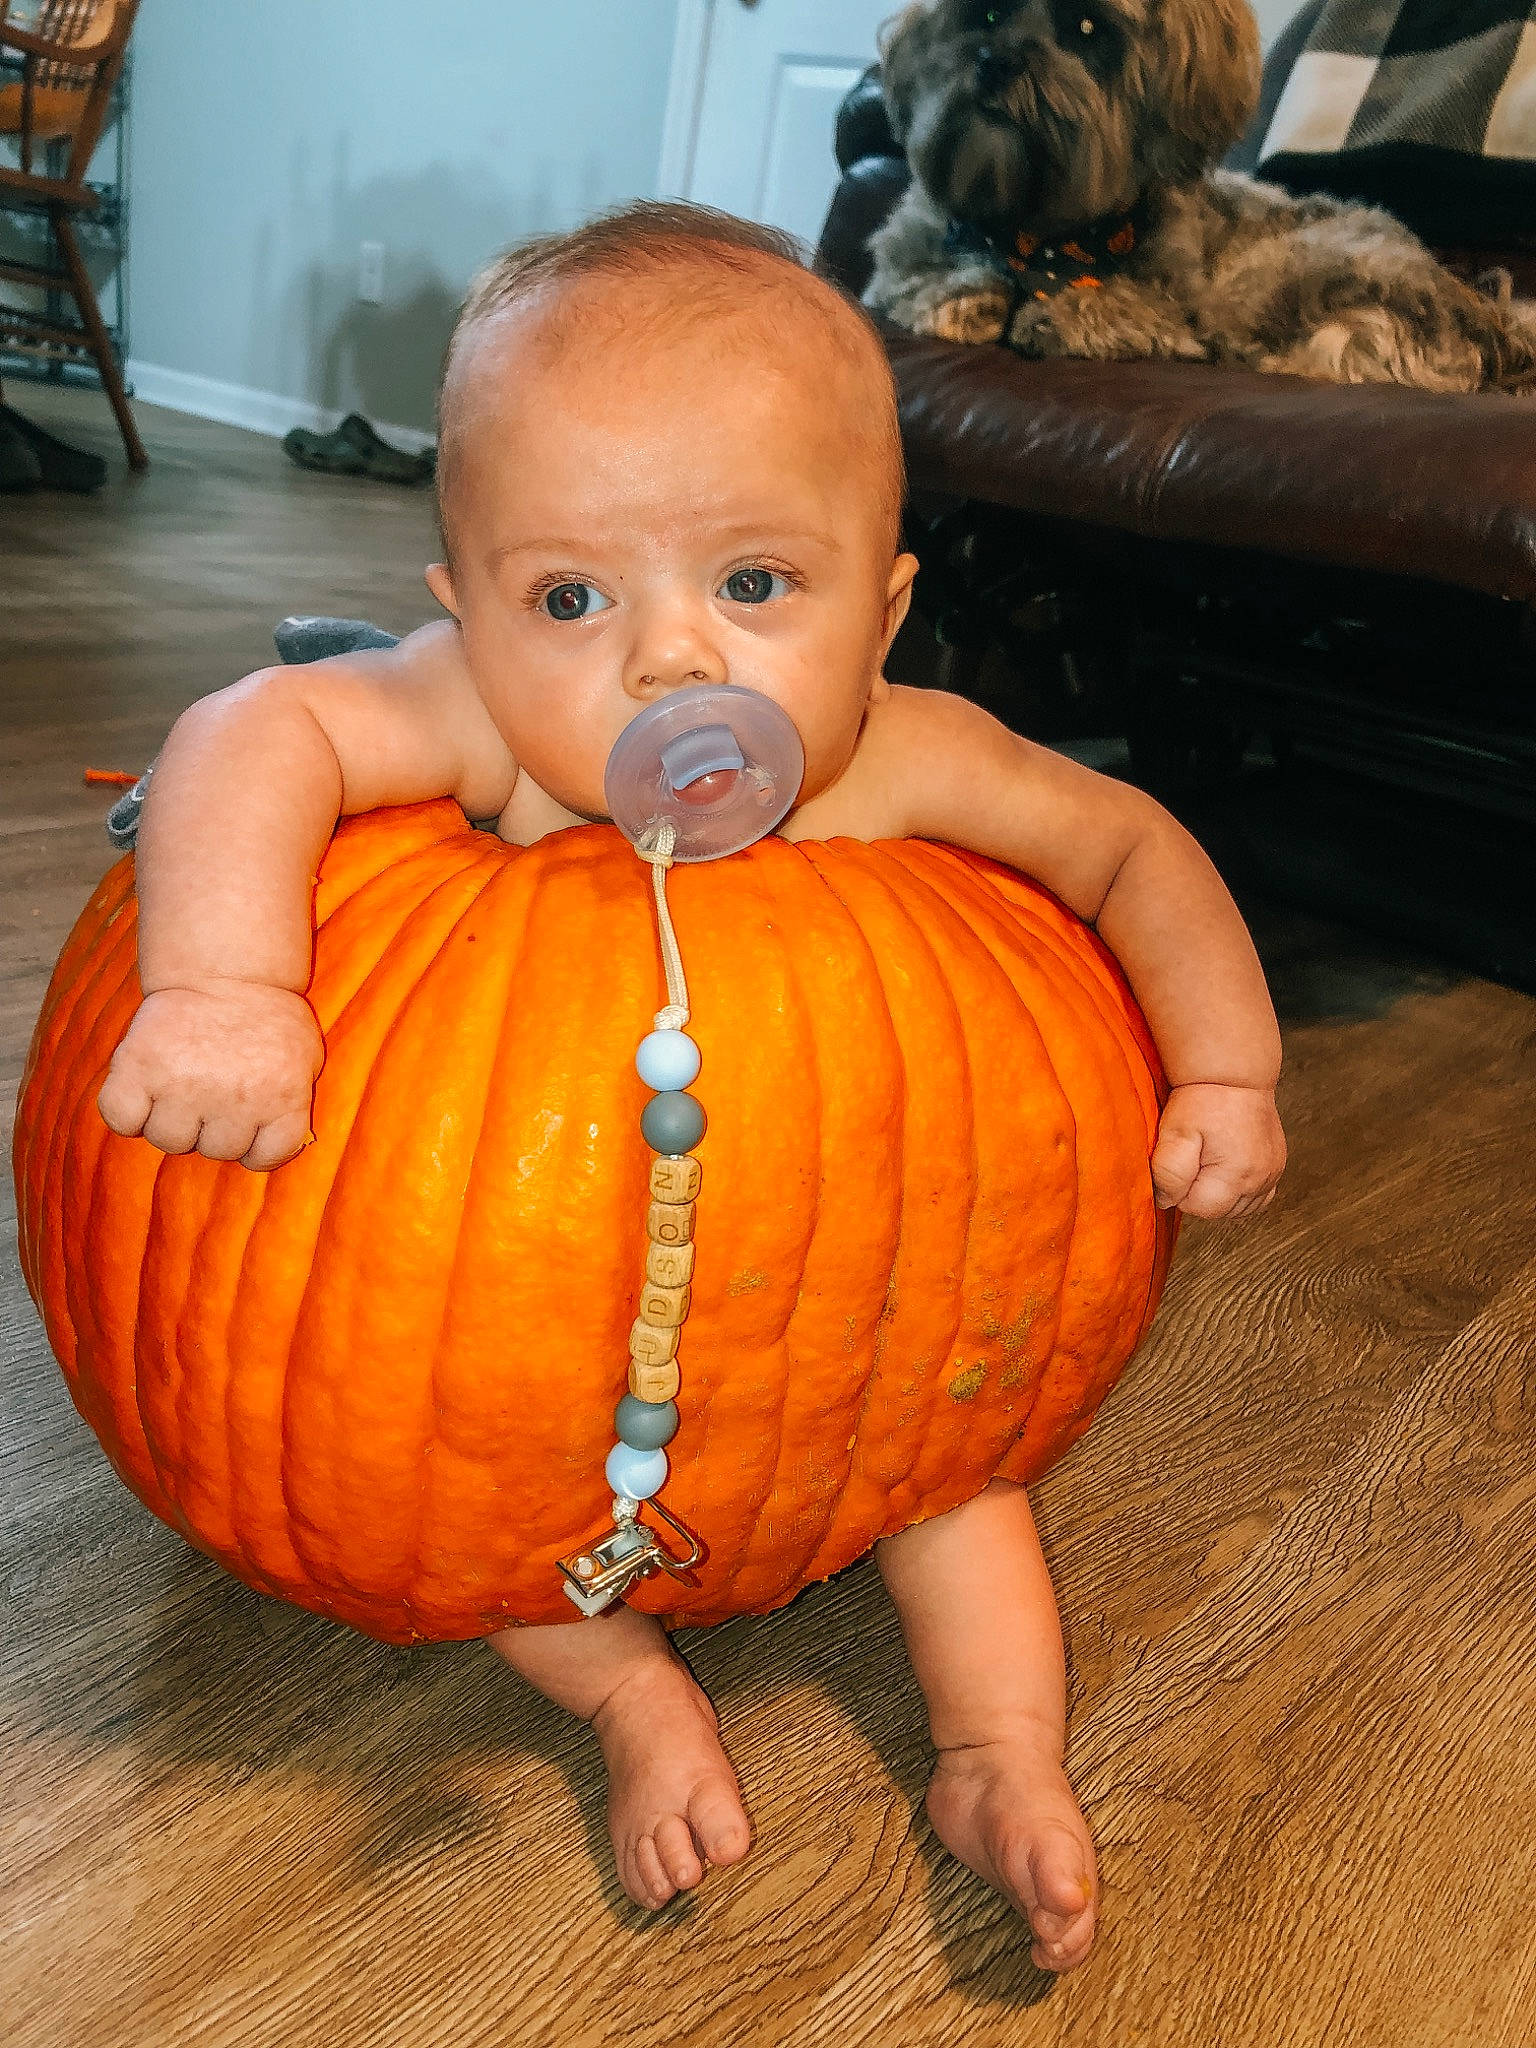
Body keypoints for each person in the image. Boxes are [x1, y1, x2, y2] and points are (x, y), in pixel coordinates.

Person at [95, 200, 1286, 1973]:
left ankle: (1001, 1758)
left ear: (883, 610)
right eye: (568, 596)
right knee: (464, 1529)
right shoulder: (491, 727)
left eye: (754, 584)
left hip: (845, 1342)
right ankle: (629, 1697)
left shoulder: (901, 755)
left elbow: (1128, 849)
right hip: (541, 1375)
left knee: (957, 1487)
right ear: (465, 614)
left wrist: (1230, 1064)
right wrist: (222, 988)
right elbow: (251, 730)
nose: (669, 660)